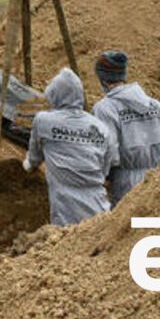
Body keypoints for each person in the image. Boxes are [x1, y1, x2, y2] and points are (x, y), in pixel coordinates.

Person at [24, 68, 119, 226]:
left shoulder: (44, 121)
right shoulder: (101, 127)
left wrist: (28, 165)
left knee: (66, 242)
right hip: (99, 205)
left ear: (55, 94)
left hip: (66, 207)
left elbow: (34, 157)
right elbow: (106, 166)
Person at [90, 50, 160, 207]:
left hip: (125, 182)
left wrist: (102, 179)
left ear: (104, 80)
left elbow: (108, 151)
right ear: (124, 76)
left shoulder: (104, 109)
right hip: (158, 179)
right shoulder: (156, 105)